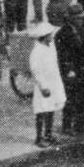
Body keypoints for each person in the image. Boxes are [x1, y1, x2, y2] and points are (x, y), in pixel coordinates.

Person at [28, 20, 65, 149]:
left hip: (53, 82)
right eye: (50, 35)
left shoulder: (51, 47)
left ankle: (48, 134)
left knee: (50, 109)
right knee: (41, 110)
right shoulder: (37, 51)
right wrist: (43, 86)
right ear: (44, 36)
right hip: (43, 85)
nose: (52, 37)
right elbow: (36, 70)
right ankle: (38, 137)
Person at [55, 3, 84, 136]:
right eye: (77, 18)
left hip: (82, 68)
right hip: (70, 69)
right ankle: (67, 126)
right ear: (69, 18)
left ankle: (80, 125)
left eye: (81, 18)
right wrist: (68, 69)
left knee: (83, 98)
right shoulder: (61, 33)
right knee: (70, 99)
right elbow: (62, 55)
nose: (80, 20)